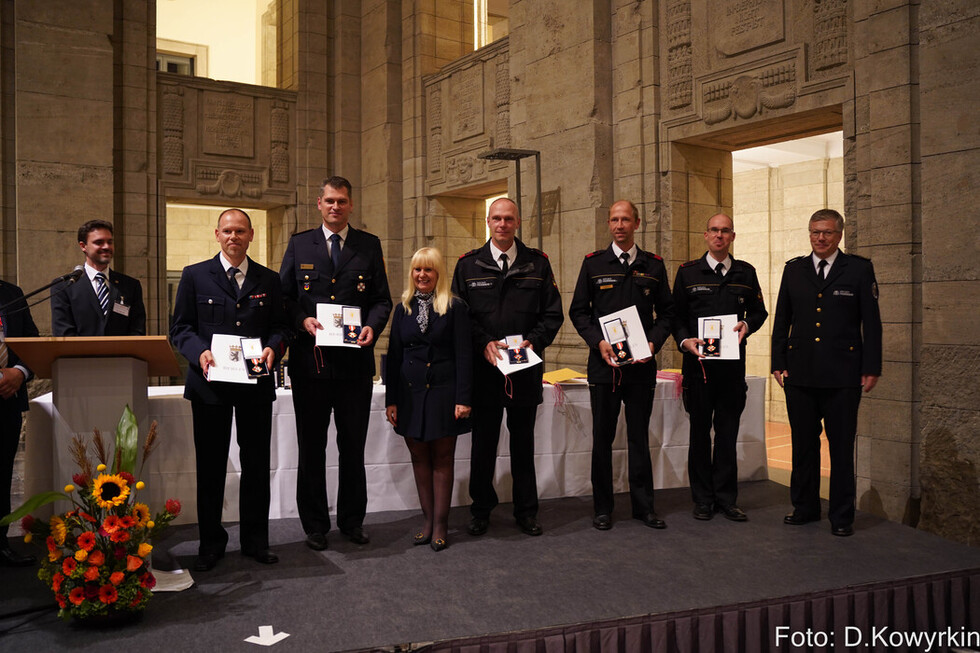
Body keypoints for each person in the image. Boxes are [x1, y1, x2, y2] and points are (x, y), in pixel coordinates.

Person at [170, 209, 290, 570]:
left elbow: (282, 327)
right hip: (210, 387)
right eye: (227, 231)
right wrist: (199, 353)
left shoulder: (269, 279)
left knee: (256, 465)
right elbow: (180, 329)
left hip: (254, 385)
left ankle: (256, 541)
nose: (233, 237)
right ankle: (210, 544)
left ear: (251, 235)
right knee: (211, 466)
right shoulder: (194, 276)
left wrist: (275, 348)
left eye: (240, 231)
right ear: (217, 235)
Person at [279, 176, 392, 550]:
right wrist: (301, 320)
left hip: (353, 366)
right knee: (311, 447)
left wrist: (373, 328)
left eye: (342, 201)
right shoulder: (299, 245)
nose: (335, 207)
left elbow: (381, 300)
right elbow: (285, 298)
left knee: (352, 446)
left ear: (351, 205)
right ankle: (314, 525)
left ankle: (351, 521)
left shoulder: (368, 245)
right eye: (329, 200)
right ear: (319, 203)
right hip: (310, 366)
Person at [450, 198, 563, 537]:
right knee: (483, 444)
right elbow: (460, 316)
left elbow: (553, 314)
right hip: (484, 372)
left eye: (509, 219)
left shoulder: (537, 264)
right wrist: (482, 341)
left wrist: (535, 340)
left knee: (523, 444)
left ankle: (526, 511)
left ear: (518, 222)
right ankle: (481, 510)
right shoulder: (469, 265)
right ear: (488, 221)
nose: (502, 224)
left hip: (524, 370)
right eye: (497, 218)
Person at [771, 209, 882, 537]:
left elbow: (871, 324)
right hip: (800, 375)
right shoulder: (794, 270)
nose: (820, 238)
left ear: (839, 235)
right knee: (803, 446)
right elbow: (782, 320)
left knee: (841, 447)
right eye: (815, 232)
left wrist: (871, 367)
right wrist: (778, 362)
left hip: (843, 377)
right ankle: (804, 507)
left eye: (828, 233)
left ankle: (842, 515)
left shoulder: (859, 269)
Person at [569, 200, 675, 531]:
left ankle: (644, 507)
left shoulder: (653, 265)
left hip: (641, 367)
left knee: (639, 438)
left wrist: (653, 343)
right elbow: (579, 312)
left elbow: (668, 313)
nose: (619, 225)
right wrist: (597, 342)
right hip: (604, 367)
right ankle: (603, 508)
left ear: (637, 223)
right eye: (614, 220)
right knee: (602, 438)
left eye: (625, 219)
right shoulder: (593, 263)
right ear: (608, 224)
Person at [672, 213, 768, 522]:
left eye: (725, 231)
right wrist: (685, 340)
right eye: (714, 230)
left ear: (732, 237)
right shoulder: (688, 273)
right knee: (699, 434)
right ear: (705, 235)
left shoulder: (745, 272)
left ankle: (727, 498)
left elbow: (759, 311)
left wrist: (747, 325)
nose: (719, 235)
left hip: (731, 370)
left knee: (727, 435)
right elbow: (675, 316)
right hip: (698, 370)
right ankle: (702, 499)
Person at [385, 248, 472, 551]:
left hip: (444, 394)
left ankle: (440, 525)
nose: (422, 275)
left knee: (442, 459)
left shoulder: (455, 307)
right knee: (419, 458)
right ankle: (426, 520)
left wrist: (463, 399)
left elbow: (464, 354)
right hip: (410, 395)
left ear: (439, 274)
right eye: (417, 270)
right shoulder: (402, 308)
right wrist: (391, 400)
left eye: (429, 270)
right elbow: (394, 355)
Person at [0, 280, 39, 566]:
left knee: (2, 476)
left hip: (7, 400)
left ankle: (0, 544)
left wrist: (20, 372)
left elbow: (31, 341)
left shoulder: (11, 293)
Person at [51, 219, 146, 336]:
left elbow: (137, 331)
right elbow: (64, 333)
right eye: (99, 242)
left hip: (121, 354)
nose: (106, 247)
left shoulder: (130, 286)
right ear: (83, 246)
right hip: (79, 354)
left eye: (110, 242)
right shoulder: (64, 287)